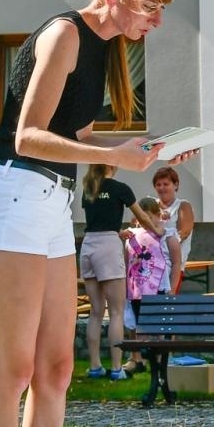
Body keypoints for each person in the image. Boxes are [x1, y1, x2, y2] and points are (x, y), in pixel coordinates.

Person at [0, 0, 184, 427]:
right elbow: (29, 135)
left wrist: (150, 149)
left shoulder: (104, 49)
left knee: (57, 368)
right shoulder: (66, 33)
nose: (156, 20)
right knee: (12, 369)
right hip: (14, 197)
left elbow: (78, 138)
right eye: (151, 5)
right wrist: (111, 155)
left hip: (48, 207)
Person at [79, 163, 160, 380]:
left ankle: (95, 366)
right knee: (116, 311)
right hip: (108, 246)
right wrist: (158, 230)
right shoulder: (120, 188)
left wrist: (117, 232)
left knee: (96, 311)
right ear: (112, 164)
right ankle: (116, 369)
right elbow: (143, 217)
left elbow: (98, 221)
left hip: (88, 246)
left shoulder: (88, 187)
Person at [123, 196, 175, 318]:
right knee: (140, 325)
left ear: (158, 215)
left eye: (149, 218)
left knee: (159, 323)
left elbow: (177, 262)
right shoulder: (132, 235)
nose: (145, 222)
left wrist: (172, 289)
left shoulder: (165, 234)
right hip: (137, 289)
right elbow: (127, 263)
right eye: (141, 219)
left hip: (158, 287)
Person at [152, 165, 195, 265]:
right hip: (152, 263)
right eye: (158, 184)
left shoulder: (183, 205)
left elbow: (184, 233)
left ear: (175, 185)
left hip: (173, 265)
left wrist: (160, 247)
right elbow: (137, 222)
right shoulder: (151, 205)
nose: (161, 188)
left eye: (166, 184)